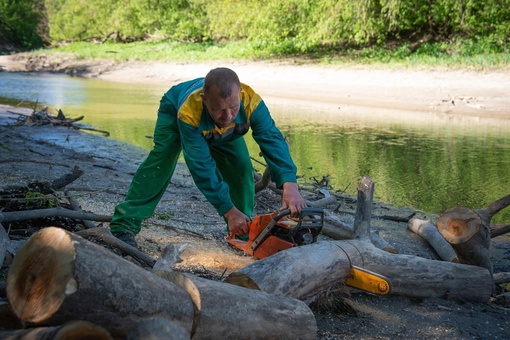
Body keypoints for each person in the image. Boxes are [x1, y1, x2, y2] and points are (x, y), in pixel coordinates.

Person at [110, 67, 306, 247]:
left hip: (219, 128)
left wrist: (290, 185)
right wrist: (227, 209)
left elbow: (272, 140)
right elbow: (201, 166)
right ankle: (124, 225)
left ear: (240, 95)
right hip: (175, 110)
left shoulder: (251, 102)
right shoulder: (190, 112)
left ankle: (241, 231)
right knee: (161, 162)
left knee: (241, 167)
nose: (228, 116)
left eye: (233, 108)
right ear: (204, 100)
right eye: (219, 109)